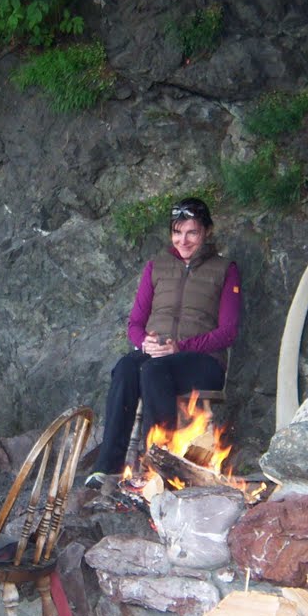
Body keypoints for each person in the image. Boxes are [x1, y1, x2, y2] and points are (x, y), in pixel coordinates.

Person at [85, 197, 241, 485]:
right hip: (157, 356)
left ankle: (160, 463)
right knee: (126, 368)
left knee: (153, 370)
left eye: (192, 232)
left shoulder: (224, 269)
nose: (184, 240)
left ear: (206, 231)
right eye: (177, 232)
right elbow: (135, 323)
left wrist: (181, 347)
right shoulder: (156, 266)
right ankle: (108, 467)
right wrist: (145, 342)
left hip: (203, 361)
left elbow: (228, 331)